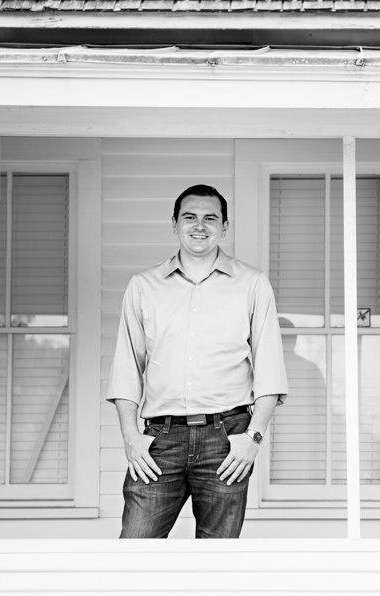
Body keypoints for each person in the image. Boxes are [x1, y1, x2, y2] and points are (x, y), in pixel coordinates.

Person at [107, 184, 288, 538]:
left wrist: (252, 438)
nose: (199, 225)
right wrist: (131, 436)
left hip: (228, 438)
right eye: (190, 217)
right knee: (134, 553)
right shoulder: (144, 286)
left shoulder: (252, 284)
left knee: (216, 562)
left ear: (224, 227)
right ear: (175, 223)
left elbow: (270, 370)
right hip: (161, 439)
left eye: (210, 218)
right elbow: (127, 367)